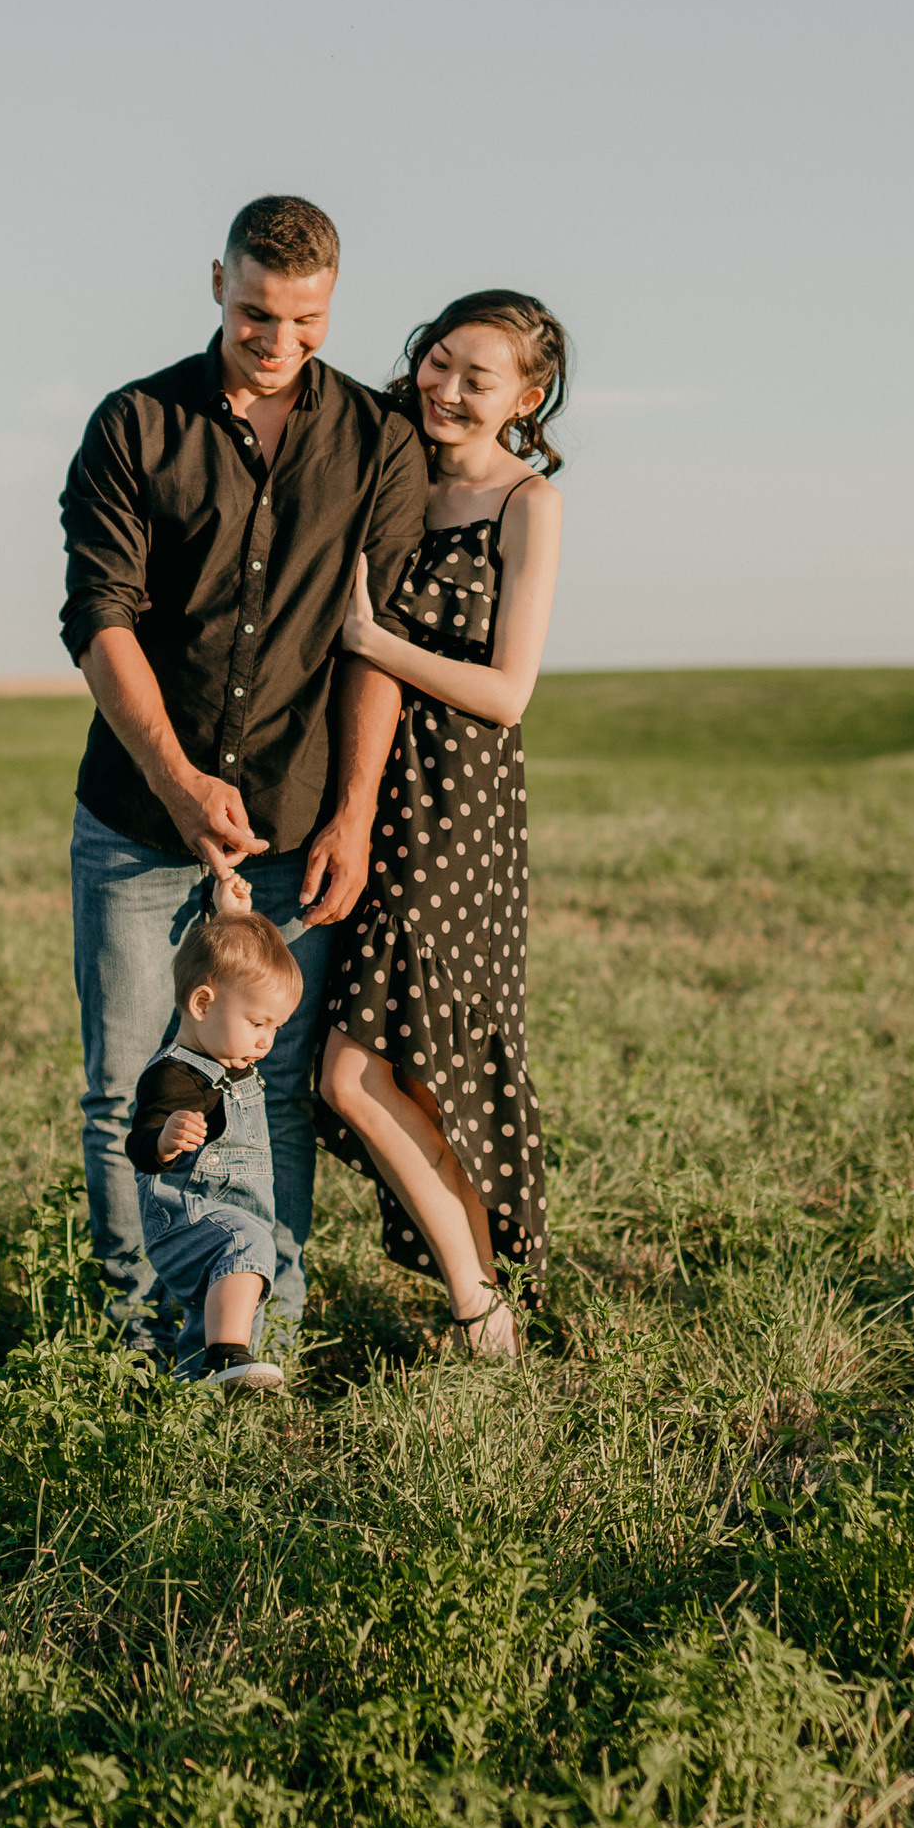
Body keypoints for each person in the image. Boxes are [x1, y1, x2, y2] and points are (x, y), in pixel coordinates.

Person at [60, 194, 428, 1356]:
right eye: (257, 313)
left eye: (305, 322)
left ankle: (256, 1339)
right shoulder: (133, 423)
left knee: (269, 1094)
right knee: (132, 1089)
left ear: (330, 305)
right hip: (135, 820)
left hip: (294, 826)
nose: (278, 343)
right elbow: (98, 619)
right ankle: (136, 1340)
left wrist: (354, 813)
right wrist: (171, 779)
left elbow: (373, 646)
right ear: (214, 281)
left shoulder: (379, 441)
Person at [315, 289, 570, 1362]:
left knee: (365, 1068)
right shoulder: (388, 469)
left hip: (457, 807)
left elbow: (508, 691)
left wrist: (373, 640)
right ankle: (484, 1300)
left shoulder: (527, 505)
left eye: (478, 376)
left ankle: (478, 1306)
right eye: (438, 361)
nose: (447, 388)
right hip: (364, 783)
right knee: (387, 1067)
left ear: (526, 397)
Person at [123, 875, 302, 1390]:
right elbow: (139, 1144)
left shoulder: (227, 1048)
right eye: (258, 1023)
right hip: (183, 1217)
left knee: (231, 1309)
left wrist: (230, 917)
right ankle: (226, 1360)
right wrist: (163, 1140)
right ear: (201, 1005)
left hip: (229, 1214)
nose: (266, 1041)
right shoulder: (174, 1074)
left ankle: (195, 1394)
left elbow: (225, 965)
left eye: (274, 1029)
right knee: (247, 1248)